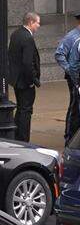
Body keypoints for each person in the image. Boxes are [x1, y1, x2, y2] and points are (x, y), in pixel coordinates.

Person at [8, 12, 41, 142]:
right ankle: (23, 139)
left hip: (17, 80)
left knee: (21, 109)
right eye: (38, 22)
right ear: (31, 22)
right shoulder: (27, 38)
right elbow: (28, 62)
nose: (39, 25)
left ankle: (16, 136)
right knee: (26, 111)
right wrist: (33, 80)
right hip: (25, 81)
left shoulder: (16, 34)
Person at [56, 10, 80, 140]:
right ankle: (69, 134)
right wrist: (70, 69)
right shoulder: (72, 36)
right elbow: (59, 54)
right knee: (74, 105)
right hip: (74, 77)